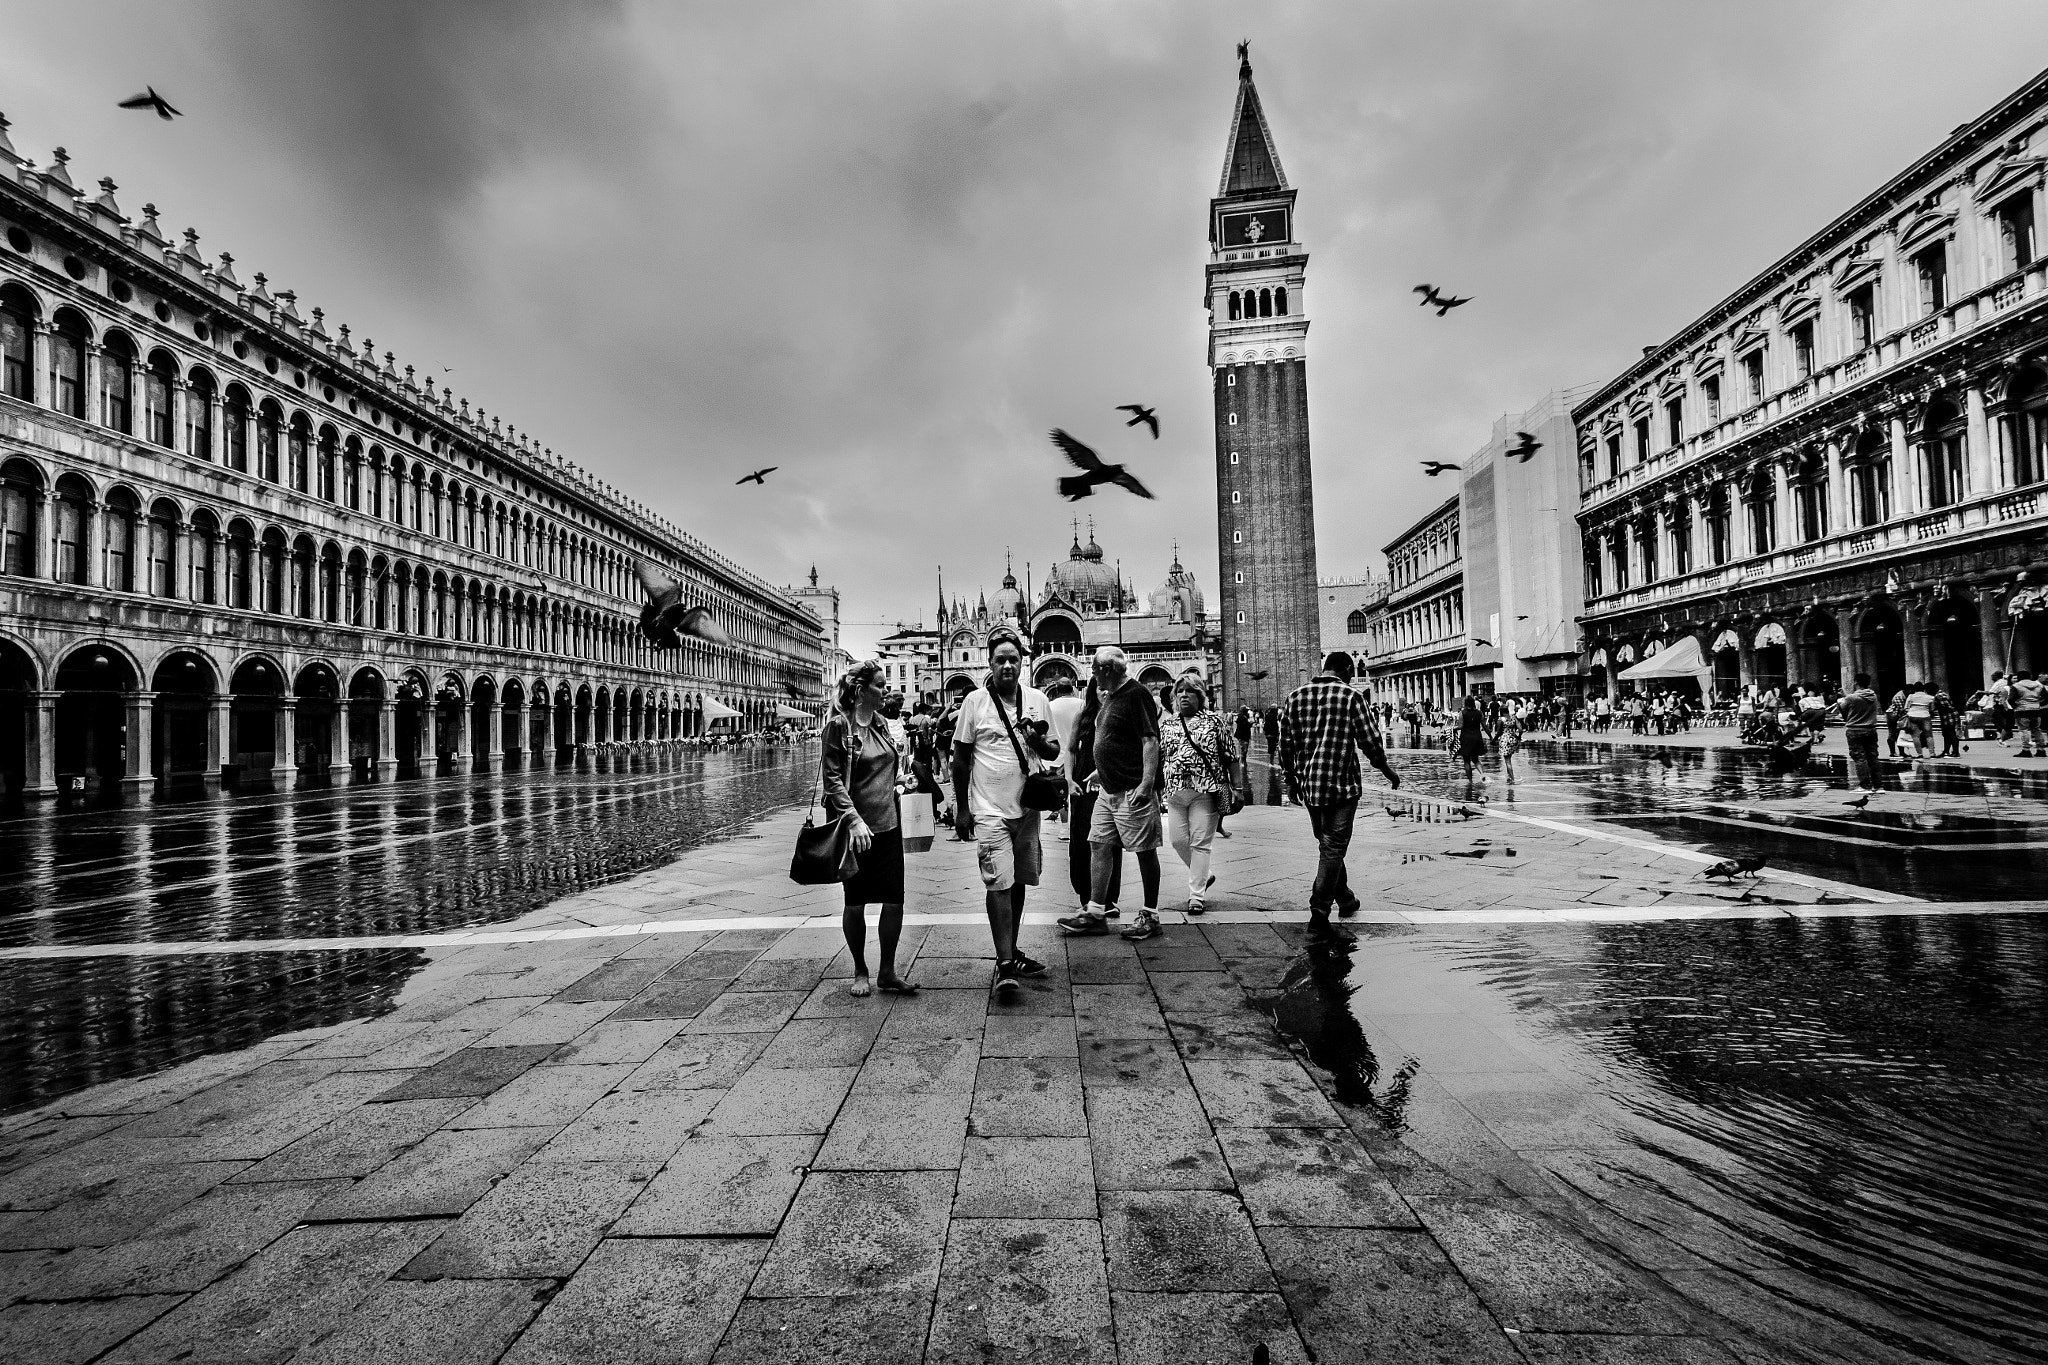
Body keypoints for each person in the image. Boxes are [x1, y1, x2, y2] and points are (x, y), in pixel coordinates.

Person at [950, 627, 1058, 996]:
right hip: (988, 810)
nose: (1007, 665)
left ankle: (1009, 950)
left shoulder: (1038, 700)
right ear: (990, 663)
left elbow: (1054, 752)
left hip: (1028, 808)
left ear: (1023, 663)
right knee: (998, 880)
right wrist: (961, 807)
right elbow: (960, 759)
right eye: (1000, 660)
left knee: (1020, 880)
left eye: (1014, 659)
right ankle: (1006, 964)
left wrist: (1035, 739)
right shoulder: (974, 702)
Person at [1278, 652, 1401, 943]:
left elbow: (1286, 745)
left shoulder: (1295, 696)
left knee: (1328, 845)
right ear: (1346, 668)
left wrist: (1291, 780)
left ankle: (1345, 897)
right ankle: (1319, 913)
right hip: (1342, 785)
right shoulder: (1351, 696)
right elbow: (1370, 741)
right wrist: (1388, 771)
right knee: (1333, 847)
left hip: (1310, 785)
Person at [1058, 646, 1164, 941]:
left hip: (1132, 788)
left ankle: (1150, 914)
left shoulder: (1136, 693)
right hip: (1107, 788)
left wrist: (1146, 783)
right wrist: (1099, 771)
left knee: (1144, 851)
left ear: (1107, 670)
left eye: (1094, 671)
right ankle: (1095, 912)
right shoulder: (1111, 698)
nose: (1092, 677)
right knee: (1098, 844)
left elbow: (1150, 740)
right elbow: (1112, 740)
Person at [822, 662, 915, 998]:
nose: (886, 691)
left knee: (894, 899)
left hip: (888, 824)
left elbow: (888, 765)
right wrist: (854, 820)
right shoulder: (839, 726)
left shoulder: (879, 723)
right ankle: (860, 969)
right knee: (856, 901)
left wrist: (902, 780)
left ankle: (887, 972)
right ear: (861, 690)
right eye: (880, 685)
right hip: (856, 830)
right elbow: (832, 780)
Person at [1160, 676, 1239, 915]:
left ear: (1200, 696)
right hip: (1174, 792)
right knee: (1177, 841)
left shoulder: (1215, 721)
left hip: (1205, 791)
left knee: (1200, 844)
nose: (1184, 695)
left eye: (1190, 691)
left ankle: (1196, 896)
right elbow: (1159, 757)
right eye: (1180, 691)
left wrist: (1238, 788)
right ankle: (1206, 875)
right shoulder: (1168, 724)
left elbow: (1231, 756)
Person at [1839, 672, 1880, 791]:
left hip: (1855, 730)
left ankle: (1865, 785)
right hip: (1871, 730)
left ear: (1856, 682)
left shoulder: (1851, 698)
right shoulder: (1873, 695)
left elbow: (1843, 708)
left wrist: (1843, 698)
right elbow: (1858, 701)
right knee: (1873, 757)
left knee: (1859, 758)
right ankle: (1878, 785)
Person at [2012, 669, 2046, 757]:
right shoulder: (2039, 686)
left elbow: (2010, 699)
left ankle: (2026, 750)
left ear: (2019, 677)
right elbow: (2047, 697)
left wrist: (2015, 707)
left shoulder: (2016, 686)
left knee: (2024, 730)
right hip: (2036, 710)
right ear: (2030, 677)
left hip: (2022, 710)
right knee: (2037, 729)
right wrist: (2039, 703)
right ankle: (2041, 750)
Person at [1455, 695, 1487, 786]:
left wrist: (1453, 728)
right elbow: (1484, 726)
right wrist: (1491, 737)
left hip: (1466, 738)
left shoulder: (1462, 713)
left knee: (1466, 761)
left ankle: (1470, 781)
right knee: (1476, 759)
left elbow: (1460, 726)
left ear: (1465, 703)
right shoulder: (1479, 712)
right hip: (1477, 737)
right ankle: (1482, 774)